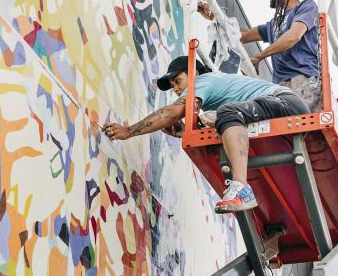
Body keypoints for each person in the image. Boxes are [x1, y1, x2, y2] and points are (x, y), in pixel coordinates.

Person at [103, 56, 309, 214]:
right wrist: (185, 131)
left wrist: (129, 131)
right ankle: (243, 193)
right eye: (173, 86)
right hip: (280, 105)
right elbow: (224, 131)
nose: (175, 88)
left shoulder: (203, 82)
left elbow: (171, 112)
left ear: (194, 73)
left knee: (227, 113)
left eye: (177, 80)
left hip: (285, 102)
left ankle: (241, 189)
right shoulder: (218, 89)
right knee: (223, 118)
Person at [198, 0, 321, 111]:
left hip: (303, 79)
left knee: (298, 123)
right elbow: (242, 36)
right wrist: (214, 16)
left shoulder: (306, 6)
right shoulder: (274, 24)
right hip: (281, 87)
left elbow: (293, 36)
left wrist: (259, 56)